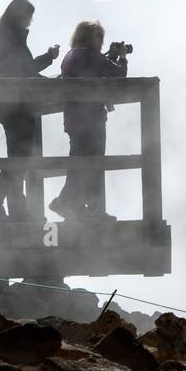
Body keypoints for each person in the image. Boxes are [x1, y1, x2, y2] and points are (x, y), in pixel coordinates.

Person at [0, 0, 59, 222]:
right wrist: (48, 59)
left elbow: (19, 70)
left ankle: (16, 211)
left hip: (13, 103)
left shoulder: (0, 36)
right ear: (20, 15)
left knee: (18, 159)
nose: (30, 21)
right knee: (20, 159)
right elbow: (23, 69)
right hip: (15, 105)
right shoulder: (7, 38)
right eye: (28, 16)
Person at [49, 20, 128, 221]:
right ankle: (84, 207)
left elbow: (94, 70)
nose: (101, 42)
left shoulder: (70, 55)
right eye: (99, 37)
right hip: (91, 119)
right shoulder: (91, 56)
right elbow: (118, 75)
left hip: (74, 119)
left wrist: (108, 56)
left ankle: (76, 206)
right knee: (93, 165)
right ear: (92, 38)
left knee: (79, 163)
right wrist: (122, 58)